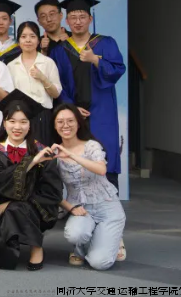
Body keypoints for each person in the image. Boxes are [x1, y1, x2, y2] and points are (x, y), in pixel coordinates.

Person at [49, 0, 126, 189]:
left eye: (82, 17)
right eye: (73, 17)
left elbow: (118, 70)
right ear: (66, 21)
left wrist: (95, 60)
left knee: (105, 154)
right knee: (75, 157)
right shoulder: (59, 50)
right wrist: (71, 108)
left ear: (90, 19)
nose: (78, 22)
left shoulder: (106, 43)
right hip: (74, 113)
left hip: (102, 111)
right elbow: (57, 85)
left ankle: (109, 202)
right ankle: (78, 203)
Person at [0, 90, 62, 271]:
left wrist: (13, 201)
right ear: (4, 123)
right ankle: (9, 243)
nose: (17, 127)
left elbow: (51, 191)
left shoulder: (42, 152)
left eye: (23, 122)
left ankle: (36, 247)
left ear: (30, 125)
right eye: (12, 121)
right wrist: (30, 163)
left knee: (15, 209)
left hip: (35, 209)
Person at [52, 104, 126, 270]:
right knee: (75, 234)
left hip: (107, 205)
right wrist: (69, 207)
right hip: (80, 208)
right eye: (60, 122)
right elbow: (49, 189)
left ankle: (112, 237)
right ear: (54, 126)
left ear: (79, 123)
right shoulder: (54, 153)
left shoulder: (91, 145)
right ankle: (82, 247)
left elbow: (101, 169)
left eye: (71, 121)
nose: (66, 125)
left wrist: (71, 154)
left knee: (99, 263)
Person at [6, 21, 62, 146]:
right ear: (18, 41)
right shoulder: (11, 66)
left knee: (43, 153)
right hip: (19, 118)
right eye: (23, 36)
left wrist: (43, 78)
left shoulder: (48, 62)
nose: (28, 40)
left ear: (38, 40)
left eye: (32, 36)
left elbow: (56, 94)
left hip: (42, 116)